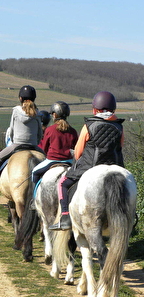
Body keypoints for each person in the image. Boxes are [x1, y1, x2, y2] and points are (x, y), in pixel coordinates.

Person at [49, 91, 125, 231]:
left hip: (90, 167)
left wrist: (77, 161)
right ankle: (130, 216)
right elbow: (120, 147)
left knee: (62, 184)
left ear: (95, 109)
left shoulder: (89, 125)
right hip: (115, 166)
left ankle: (65, 217)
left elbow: (78, 151)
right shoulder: (119, 127)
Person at [31, 101, 78, 190]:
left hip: (52, 161)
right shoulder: (73, 131)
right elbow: (76, 148)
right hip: (70, 161)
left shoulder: (50, 130)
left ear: (55, 115)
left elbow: (44, 149)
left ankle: (34, 198)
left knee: (35, 173)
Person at [0, 85, 43, 167]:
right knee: (46, 161)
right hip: (33, 145)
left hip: (17, 145)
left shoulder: (16, 111)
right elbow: (40, 133)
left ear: (20, 98)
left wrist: (13, 141)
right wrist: (35, 143)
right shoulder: (38, 114)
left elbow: (11, 130)